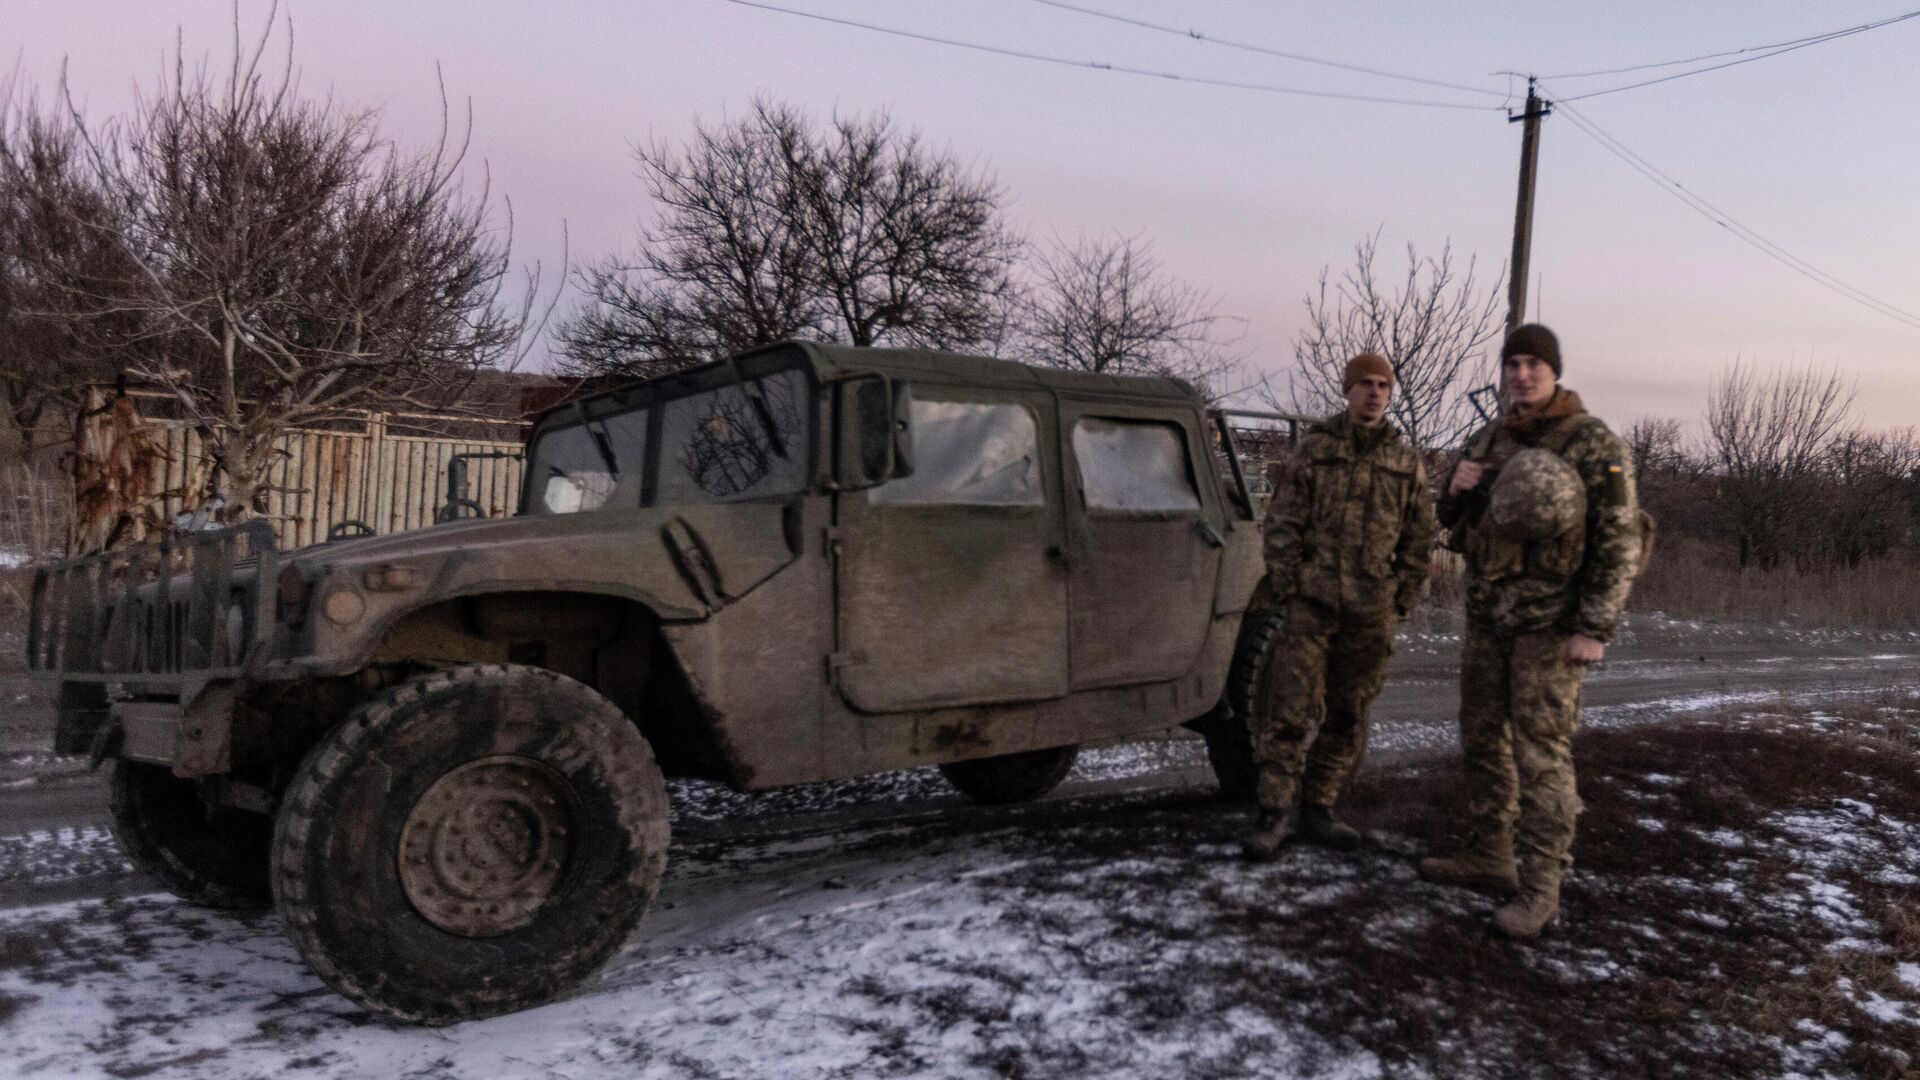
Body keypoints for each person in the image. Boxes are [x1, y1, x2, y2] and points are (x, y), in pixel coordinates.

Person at [1420, 323, 1643, 938]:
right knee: (1482, 739)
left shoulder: (1594, 443)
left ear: (1555, 371)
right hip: (1490, 618)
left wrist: (1595, 626)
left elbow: (1619, 539)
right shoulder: (1489, 436)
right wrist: (1454, 488)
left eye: (1534, 364)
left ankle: (1542, 889)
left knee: (1541, 754)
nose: (1522, 374)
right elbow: (1452, 522)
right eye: (1513, 363)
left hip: (1551, 626)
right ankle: (1489, 856)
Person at [1243, 353, 1437, 862]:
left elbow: (1419, 541)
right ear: (1347, 391)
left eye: (1382, 386)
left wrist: (1399, 598)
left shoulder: (1404, 462)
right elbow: (1282, 523)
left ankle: (1320, 807)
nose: (1374, 393)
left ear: (1390, 394)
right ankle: (1274, 812)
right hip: (1312, 607)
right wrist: (1289, 585)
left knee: (1349, 713)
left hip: (1370, 613)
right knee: (1289, 710)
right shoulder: (1315, 451)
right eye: (1365, 384)